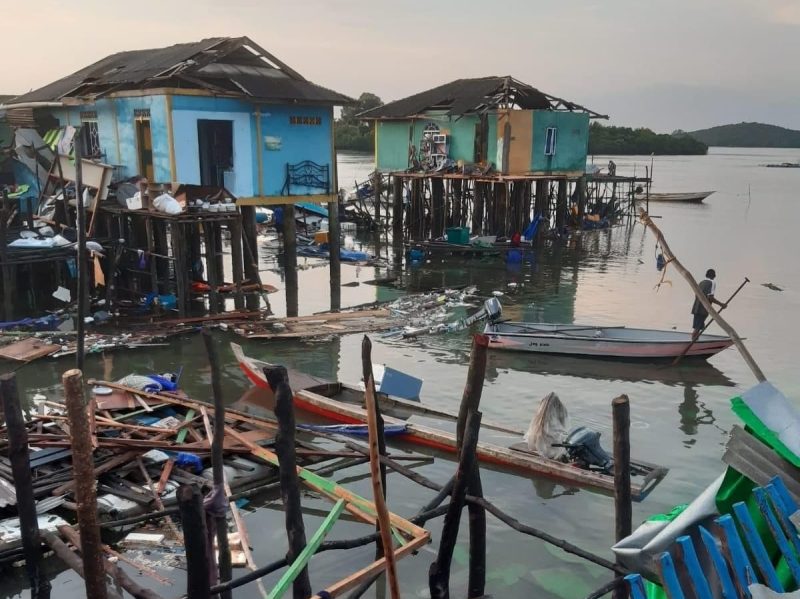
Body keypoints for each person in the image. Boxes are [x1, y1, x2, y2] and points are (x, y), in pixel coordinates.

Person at [691, 268, 727, 337]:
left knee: (697, 327)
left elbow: (696, 295)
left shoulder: (701, 282)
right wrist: (721, 304)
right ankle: (692, 342)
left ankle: (694, 340)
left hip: (696, 307)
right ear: (714, 276)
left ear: (706, 275)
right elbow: (710, 298)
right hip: (703, 309)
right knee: (697, 328)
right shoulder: (712, 283)